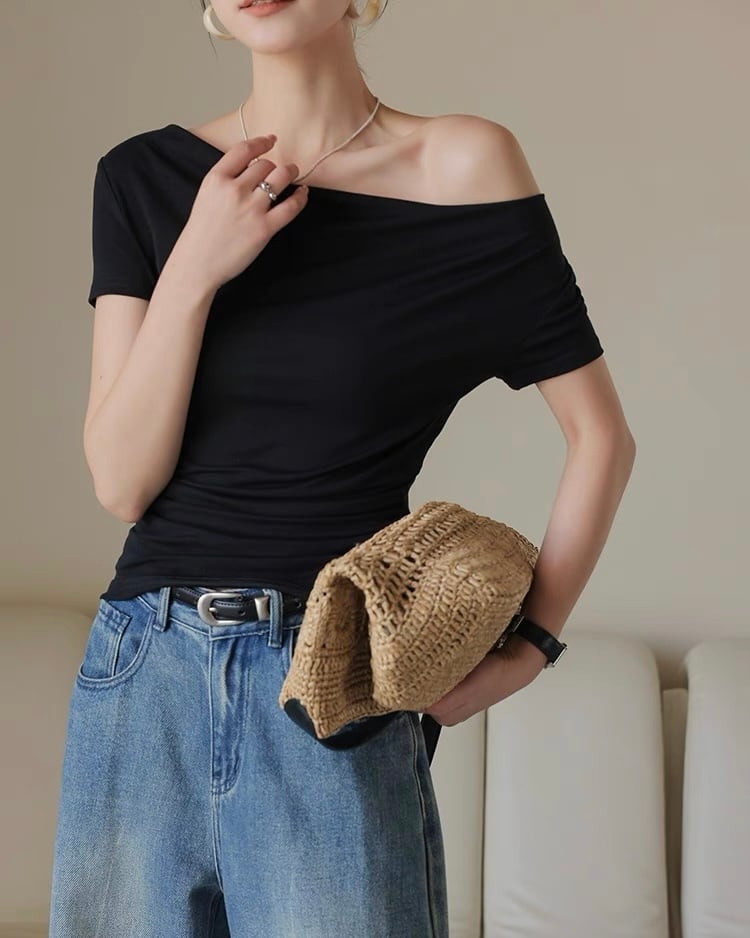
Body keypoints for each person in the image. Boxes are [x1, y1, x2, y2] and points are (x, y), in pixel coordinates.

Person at [49, 0, 635, 935]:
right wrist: (195, 267)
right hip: (140, 678)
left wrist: (528, 651)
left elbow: (601, 436)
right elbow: (122, 483)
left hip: (331, 683)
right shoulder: (143, 177)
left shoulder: (463, 168)